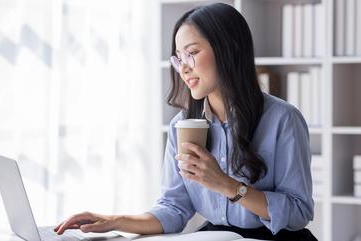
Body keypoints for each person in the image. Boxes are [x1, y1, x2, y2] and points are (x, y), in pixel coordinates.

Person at [54, 3, 317, 241]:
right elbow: (173, 208)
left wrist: (227, 185)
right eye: (178, 58)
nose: (183, 68)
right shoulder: (183, 125)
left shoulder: (283, 120)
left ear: (229, 49)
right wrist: (112, 221)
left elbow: (298, 211)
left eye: (191, 53)